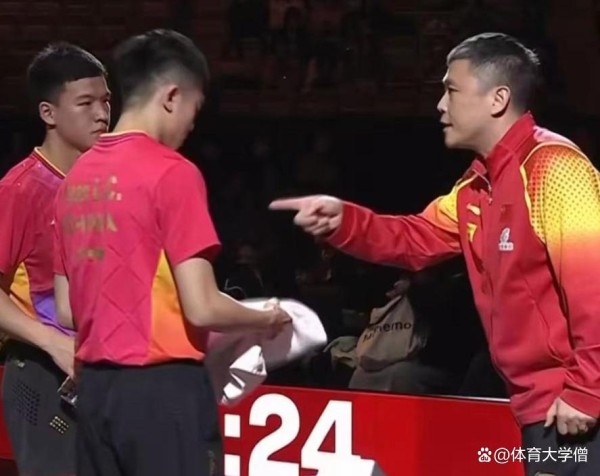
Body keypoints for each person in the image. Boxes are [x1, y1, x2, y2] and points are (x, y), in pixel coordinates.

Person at [270, 32, 600, 475]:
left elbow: (594, 289)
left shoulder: (554, 169)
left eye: (452, 90)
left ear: (498, 99)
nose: (441, 106)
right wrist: (343, 221)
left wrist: (587, 390)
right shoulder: (476, 186)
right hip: (538, 405)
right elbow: (415, 239)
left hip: (575, 406)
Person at [52, 29, 290, 476]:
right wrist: (267, 318)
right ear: (172, 96)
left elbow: (67, 310)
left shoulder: (73, 181)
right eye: (194, 111)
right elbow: (202, 306)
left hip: (95, 394)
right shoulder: (173, 173)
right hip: (162, 396)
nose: (191, 126)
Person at [0, 43, 110, 476]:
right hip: (41, 374)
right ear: (49, 113)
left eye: (106, 101)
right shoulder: (20, 190)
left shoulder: (104, 185)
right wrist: (53, 342)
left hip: (99, 371)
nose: (101, 114)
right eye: (85, 103)